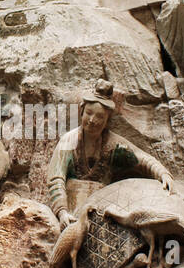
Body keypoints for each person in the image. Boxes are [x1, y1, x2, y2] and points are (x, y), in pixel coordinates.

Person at [46, 79, 173, 226]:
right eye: (88, 113)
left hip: (102, 212)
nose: (92, 120)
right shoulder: (69, 141)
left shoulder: (113, 144)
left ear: (107, 120)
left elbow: (143, 160)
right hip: (71, 213)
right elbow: (56, 179)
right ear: (81, 112)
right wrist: (62, 212)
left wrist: (162, 173)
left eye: (100, 117)